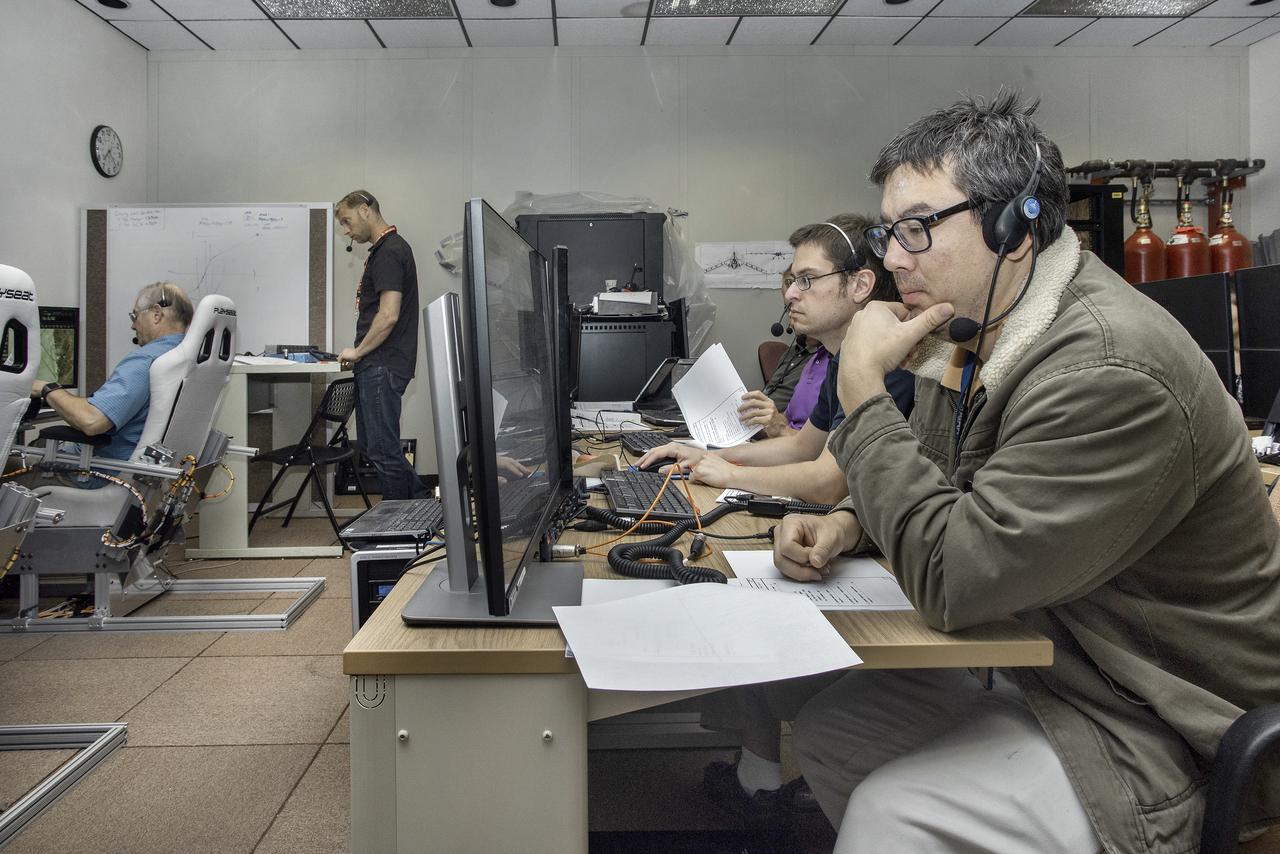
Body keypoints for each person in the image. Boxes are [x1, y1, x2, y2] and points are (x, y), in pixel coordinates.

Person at [773, 92, 1280, 853]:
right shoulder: (966, 336)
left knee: (897, 813)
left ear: (1013, 227)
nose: (891, 258)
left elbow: (954, 580)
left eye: (916, 229)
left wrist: (864, 391)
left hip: (1162, 720)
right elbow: (945, 492)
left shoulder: (1108, 371)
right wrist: (849, 524)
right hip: (1061, 665)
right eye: (888, 232)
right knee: (838, 727)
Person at [637, 214, 913, 505]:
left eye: (806, 280)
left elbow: (828, 483)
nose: (791, 293)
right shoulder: (843, 355)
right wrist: (708, 456)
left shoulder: (888, 357)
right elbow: (801, 448)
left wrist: (731, 474)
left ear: (860, 285)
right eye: (793, 280)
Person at [334, 190, 428, 501]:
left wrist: (359, 351)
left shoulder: (389, 252)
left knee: (383, 450)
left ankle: (401, 522)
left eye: (347, 222)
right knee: (378, 448)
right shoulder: (386, 250)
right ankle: (421, 508)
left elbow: (388, 315)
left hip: (382, 364)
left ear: (365, 210)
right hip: (380, 364)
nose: (346, 231)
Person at [33, 281, 191, 462]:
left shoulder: (147, 361)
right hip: (154, 475)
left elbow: (92, 421)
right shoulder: (188, 357)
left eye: (135, 316)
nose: (133, 326)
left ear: (156, 314)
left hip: (96, 472)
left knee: (12, 465)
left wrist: (46, 388)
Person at [745, 268, 824, 438]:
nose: (791, 293)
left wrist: (780, 429)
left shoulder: (830, 361)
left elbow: (817, 450)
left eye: (804, 282)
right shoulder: (796, 355)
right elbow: (783, 423)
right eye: (789, 283)